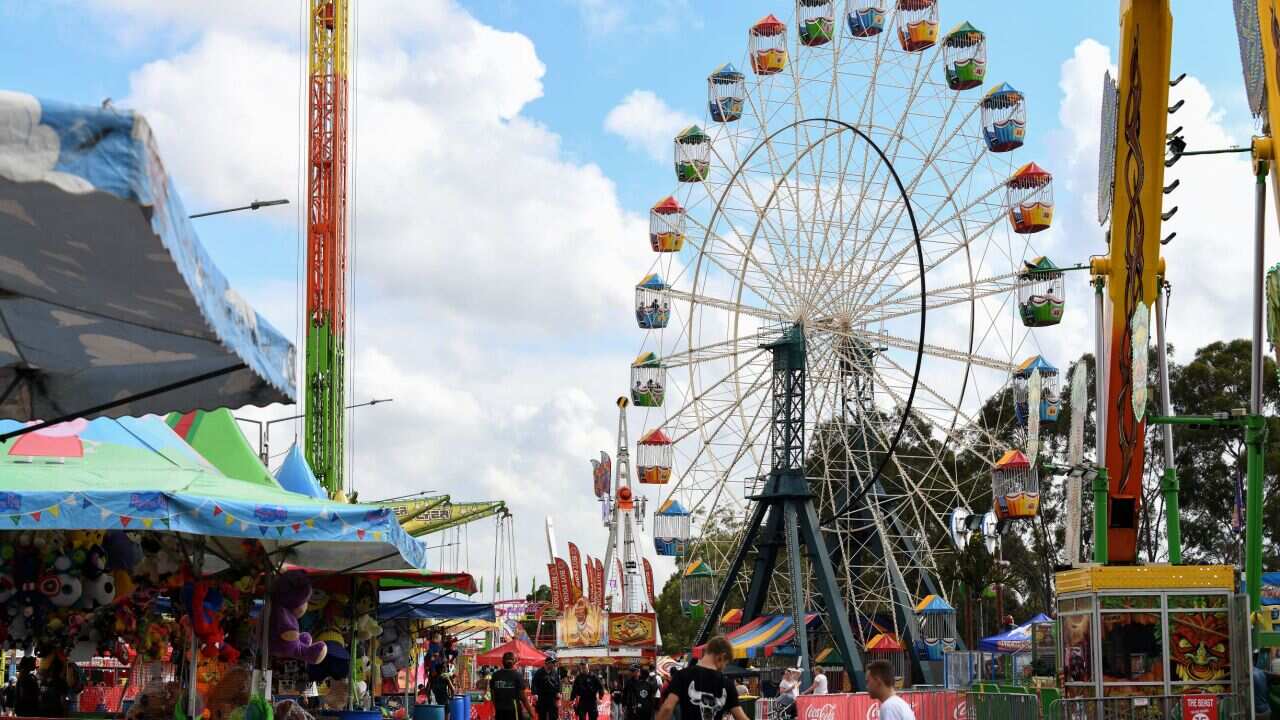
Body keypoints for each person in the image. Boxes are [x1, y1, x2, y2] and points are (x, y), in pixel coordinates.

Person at [656, 636, 746, 720]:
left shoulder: (682, 675)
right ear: (721, 657)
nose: (723, 668)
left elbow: (667, 708)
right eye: (725, 664)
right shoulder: (727, 684)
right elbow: (740, 717)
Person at [491, 652, 534, 720]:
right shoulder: (517, 676)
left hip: (500, 710)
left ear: (502, 661)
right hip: (513, 710)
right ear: (514, 662)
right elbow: (523, 698)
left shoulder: (495, 675)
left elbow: (493, 696)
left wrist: (497, 707)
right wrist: (532, 714)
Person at [532, 654, 563, 720]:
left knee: (554, 716)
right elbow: (534, 684)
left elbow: (559, 684)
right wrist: (535, 694)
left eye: (554, 663)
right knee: (542, 715)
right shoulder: (539, 672)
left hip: (552, 698)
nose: (554, 664)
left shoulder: (555, 672)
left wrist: (559, 692)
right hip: (542, 698)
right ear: (547, 663)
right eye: (552, 663)